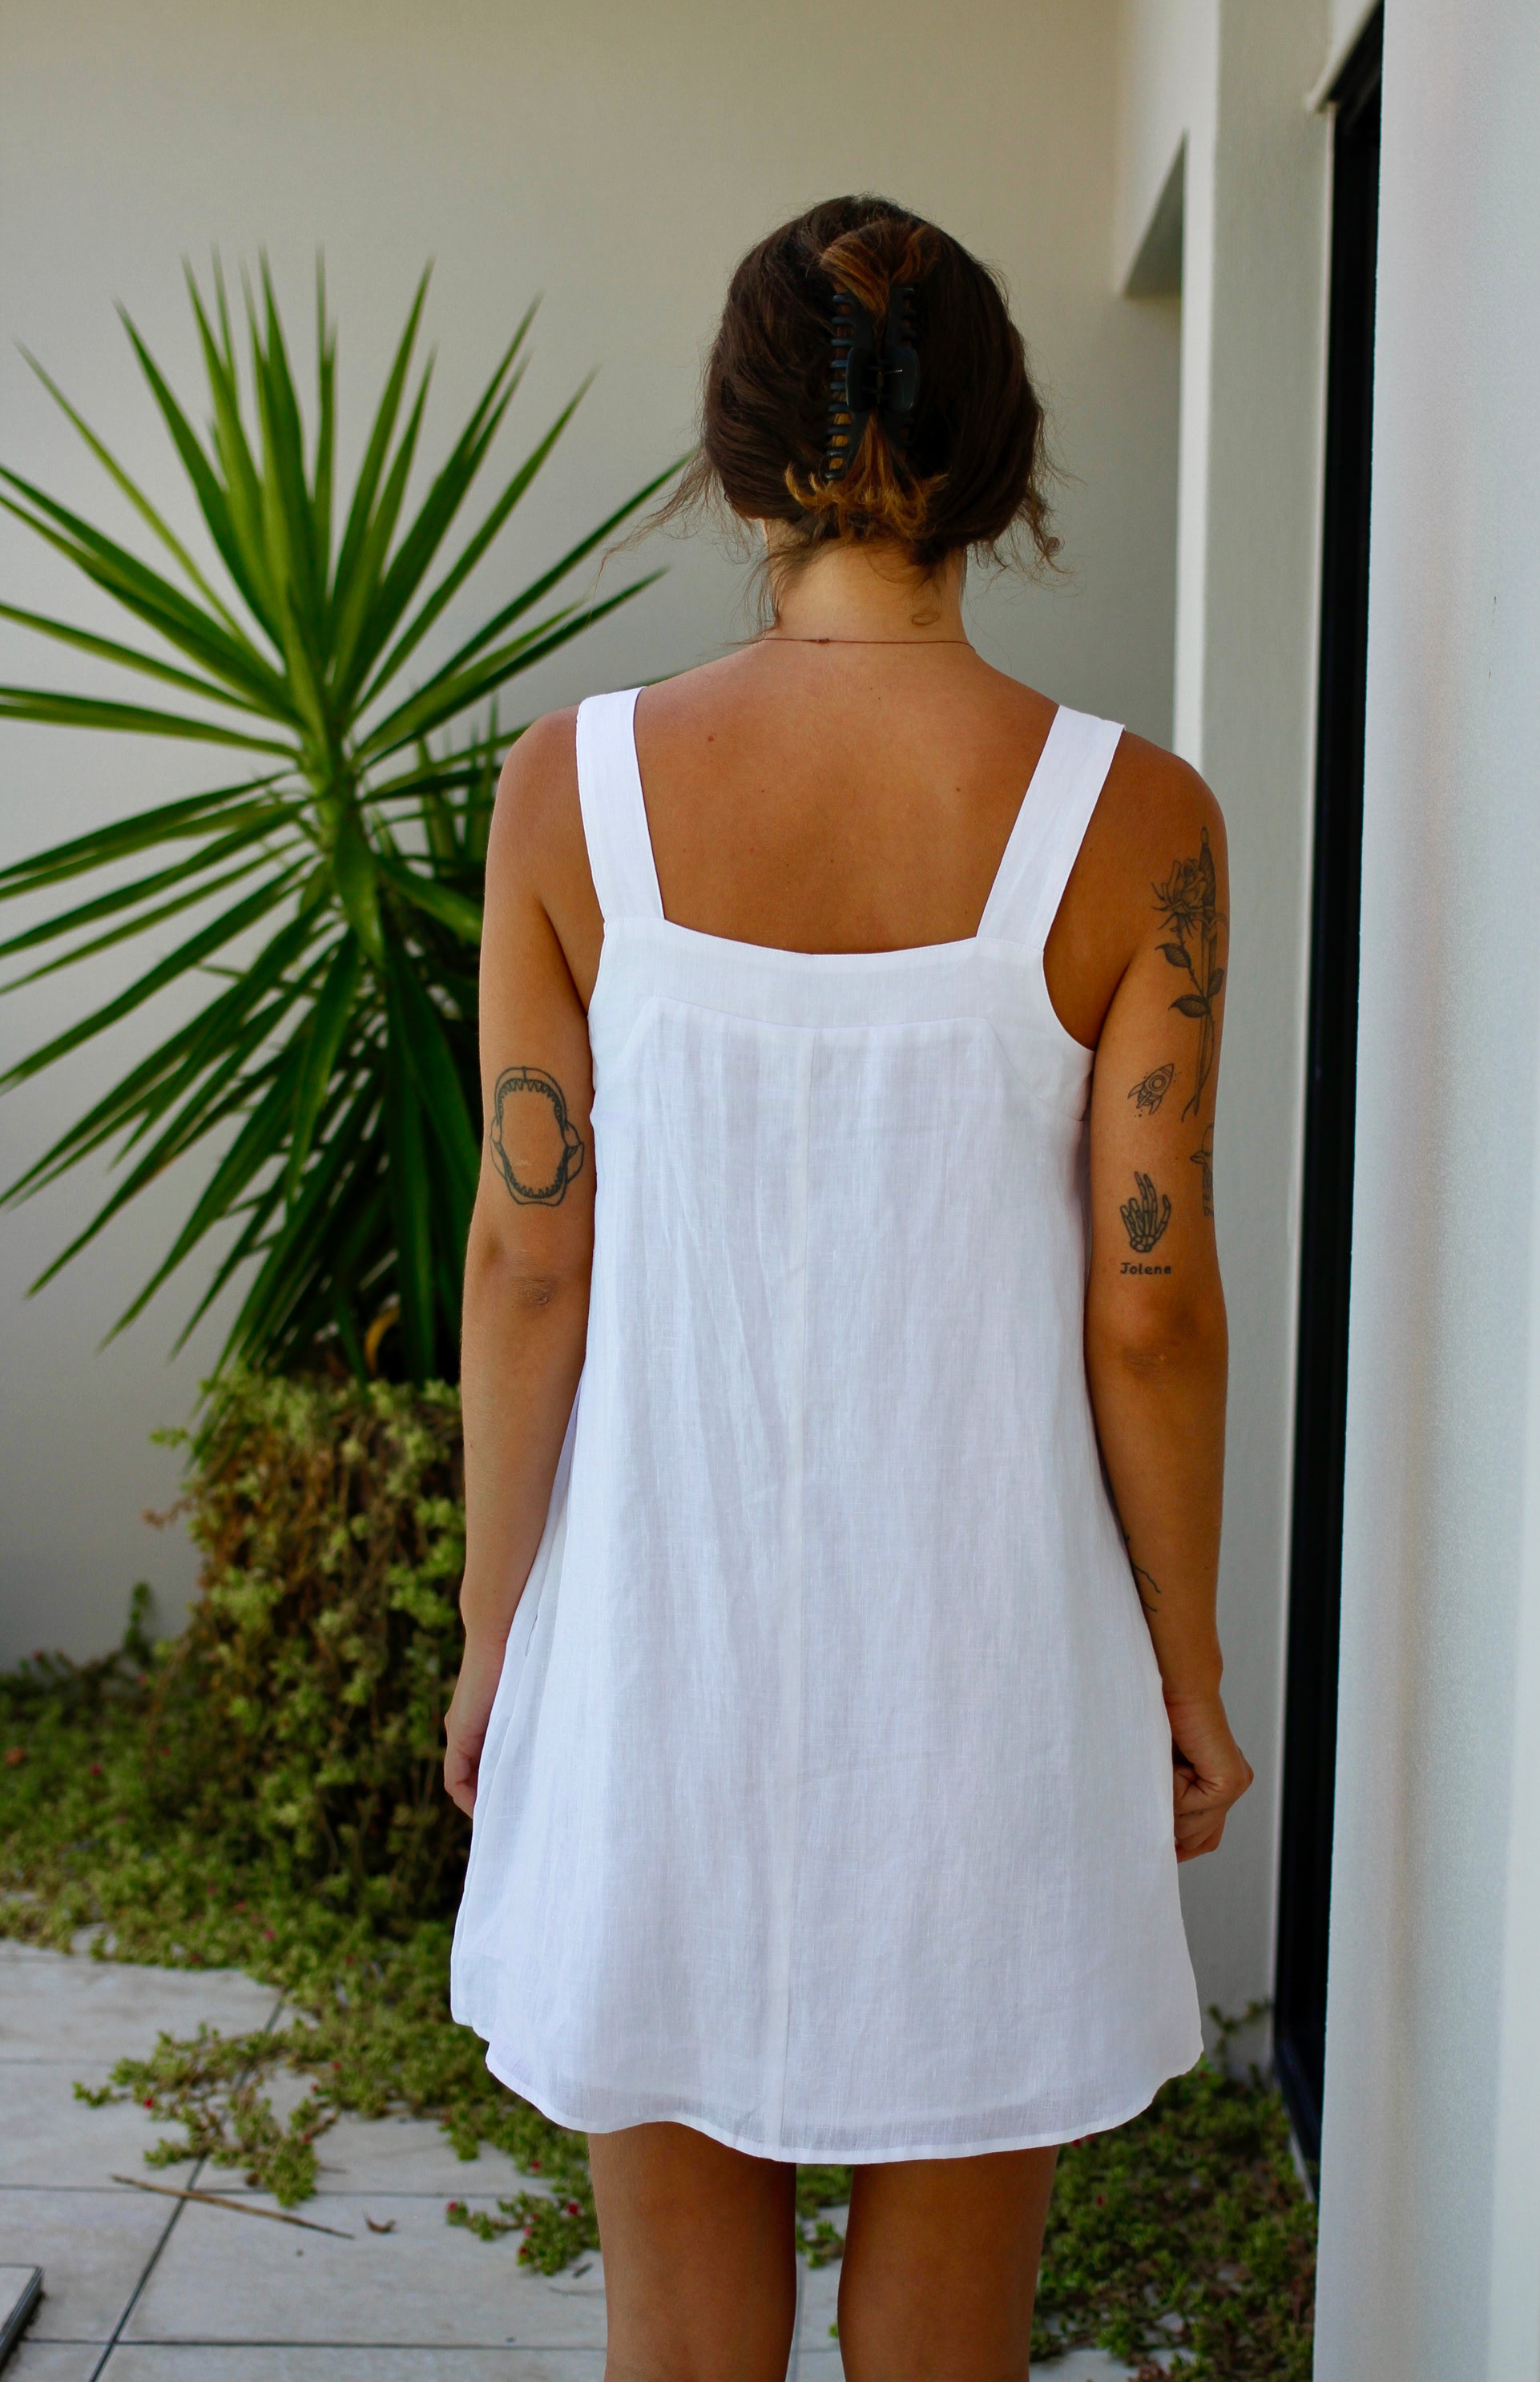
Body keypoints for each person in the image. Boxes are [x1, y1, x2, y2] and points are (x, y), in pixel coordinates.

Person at [446, 195, 1252, 2382]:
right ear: (1003, 460)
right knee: (949, 2341)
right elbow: (1152, 1308)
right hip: (992, 1685)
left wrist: (501, 1637)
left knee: (682, 2335)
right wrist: (1184, 1665)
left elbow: (529, 1259)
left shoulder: (570, 796)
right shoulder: (1141, 825)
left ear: (736, 465)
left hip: (656, 1654)